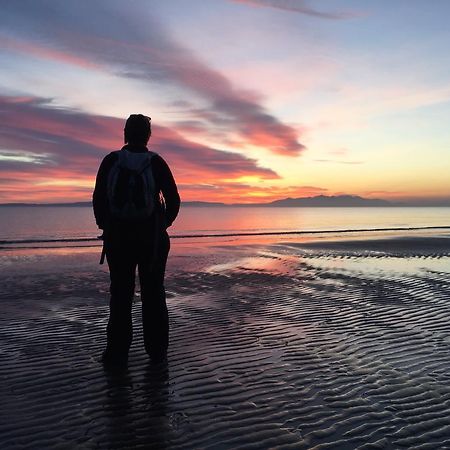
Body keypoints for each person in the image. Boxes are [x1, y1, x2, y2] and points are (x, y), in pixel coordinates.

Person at [93, 114, 180, 366]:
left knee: (120, 294)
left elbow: (98, 198)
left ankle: (117, 353)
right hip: (151, 239)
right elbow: (174, 200)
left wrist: (107, 226)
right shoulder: (156, 162)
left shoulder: (111, 161)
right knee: (153, 294)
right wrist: (161, 226)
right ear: (148, 135)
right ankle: (157, 352)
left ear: (125, 133)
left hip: (118, 238)